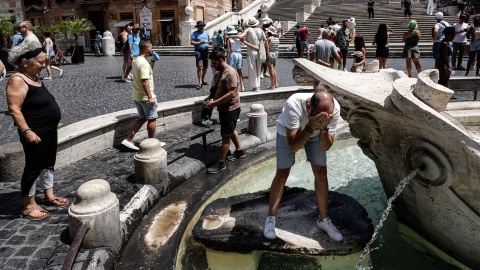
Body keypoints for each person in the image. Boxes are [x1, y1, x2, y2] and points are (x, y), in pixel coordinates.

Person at [263, 91, 343, 242]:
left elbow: (326, 146)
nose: (323, 119)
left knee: (321, 173)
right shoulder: (293, 104)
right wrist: (311, 127)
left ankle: (323, 220)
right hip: (289, 132)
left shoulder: (334, 109)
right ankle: (271, 218)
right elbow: (293, 145)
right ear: (309, 106)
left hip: (314, 133)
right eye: (319, 116)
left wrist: (324, 128)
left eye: (326, 117)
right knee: (283, 172)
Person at [6, 41, 69, 220]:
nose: (44, 65)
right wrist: (27, 131)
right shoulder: (17, 79)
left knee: (48, 162)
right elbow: (14, 109)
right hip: (34, 131)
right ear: (25, 61)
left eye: (44, 61)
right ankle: (28, 205)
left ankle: (49, 195)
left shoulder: (34, 77)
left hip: (48, 129)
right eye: (40, 62)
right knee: (33, 167)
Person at [204, 49, 246, 174]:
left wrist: (215, 103)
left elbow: (231, 93)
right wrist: (209, 97)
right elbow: (217, 88)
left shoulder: (230, 73)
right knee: (231, 129)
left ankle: (221, 163)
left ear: (221, 60)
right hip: (224, 108)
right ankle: (239, 150)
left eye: (214, 63)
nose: (212, 65)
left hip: (230, 108)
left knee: (225, 135)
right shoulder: (219, 72)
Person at [121, 41, 163, 151]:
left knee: (142, 118)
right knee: (152, 119)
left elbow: (148, 71)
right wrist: (150, 97)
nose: (152, 50)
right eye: (151, 48)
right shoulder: (143, 63)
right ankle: (151, 143)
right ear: (146, 49)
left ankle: (128, 139)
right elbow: (145, 81)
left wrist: (153, 60)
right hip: (145, 97)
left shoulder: (136, 59)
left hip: (137, 95)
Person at [228, 17, 268, 92]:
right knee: (259, 68)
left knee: (252, 68)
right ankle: (258, 85)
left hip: (251, 51)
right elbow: (265, 40)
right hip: (260, 51)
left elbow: (240, 37)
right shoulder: (261, 30)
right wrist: (266, 51)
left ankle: (255, 86)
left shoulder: (248, 30)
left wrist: (230, 36)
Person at [190, 21, 211, 90]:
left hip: (206, 50)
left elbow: (209, 40)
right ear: (198, 27)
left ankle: (203, 79)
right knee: (200, 67)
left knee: (205, 66)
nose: (201, 27)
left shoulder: (206, 33)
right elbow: (191, 42)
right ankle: (199, 82)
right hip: (198, 51)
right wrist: (199, 42)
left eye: (202, 26)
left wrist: (210, 42)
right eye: (200, 26)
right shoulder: (194, 33)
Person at [225, 25, 245, 92]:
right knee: (239, 71)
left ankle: (234, 86)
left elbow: (228, 50)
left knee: (232, 71)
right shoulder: (239, 38)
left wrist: (227, 59)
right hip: (239, 54)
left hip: (233, 54)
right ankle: (242, 86)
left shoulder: (229, 39)